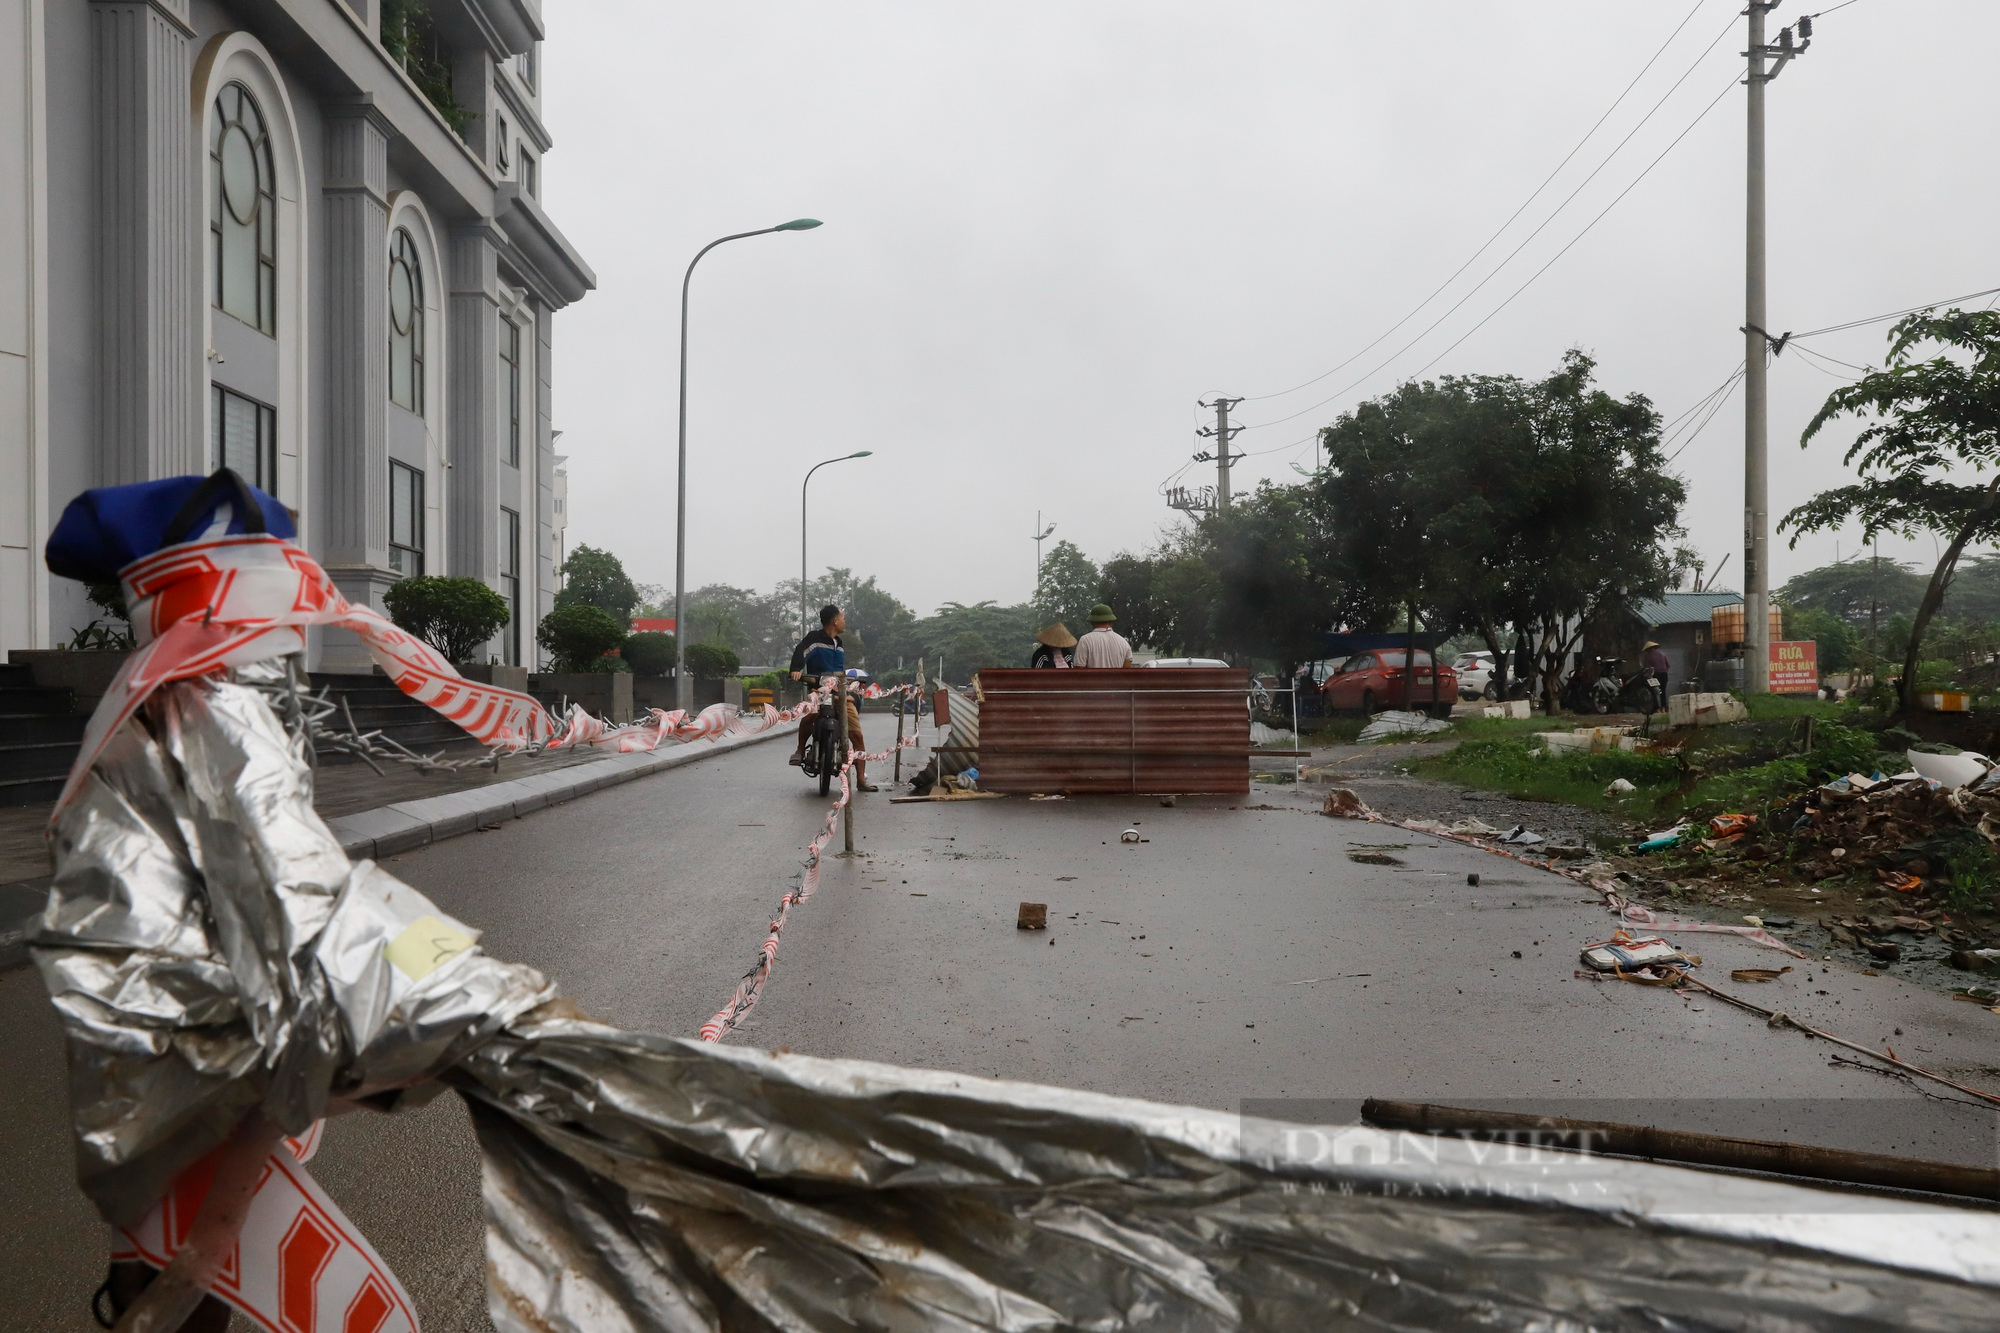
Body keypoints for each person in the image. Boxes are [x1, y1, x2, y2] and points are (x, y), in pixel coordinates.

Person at [788, 605, 873, 790]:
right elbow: (801, 650)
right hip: (818, 692)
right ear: (835, 621)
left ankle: (861, 780)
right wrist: (796, 669)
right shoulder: (815, 639)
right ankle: (800, 750)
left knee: (857, 735)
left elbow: (839, 669)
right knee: (808, 716)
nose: (844, 622)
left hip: (840, 694)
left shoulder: (839, 643)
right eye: (842, 618)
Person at [1071, 603, 1133, 668]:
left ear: (1092, 622)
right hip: (1115, 678)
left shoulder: (1085, 640)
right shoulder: (1123, 642)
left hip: (1093, 678)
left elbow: (1079, 670)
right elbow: (1126, 671)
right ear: (1111, 621)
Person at [1641, 639, 1671, 712]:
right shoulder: (1662, 654)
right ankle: (1663, 708)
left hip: (1655, 675)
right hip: (1664, 674)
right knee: (1662, 691)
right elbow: (1668, 665)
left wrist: (1647, 675)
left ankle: (1657, 709)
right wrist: (1664, 671)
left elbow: (1645, 667)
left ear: (1648, 649)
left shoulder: (1647, 656)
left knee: (1653, 692)